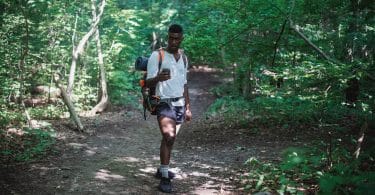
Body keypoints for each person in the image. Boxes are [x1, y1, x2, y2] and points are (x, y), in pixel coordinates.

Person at [145, 24, 192, 193]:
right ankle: (165, 178)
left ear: (181, 39)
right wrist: (158, 77)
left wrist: (188, 107)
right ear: (167, 37)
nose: (173, 41)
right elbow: (147, 82)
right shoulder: (157, 55)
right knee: (169, 136)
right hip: (163, 102)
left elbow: (184, 84)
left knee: (168, 140)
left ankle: (161, 169)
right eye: (170, 38)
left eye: (176, 38)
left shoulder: (184, 58)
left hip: (180, 103)